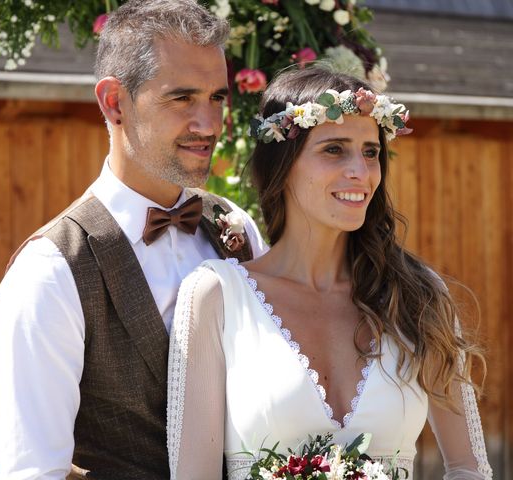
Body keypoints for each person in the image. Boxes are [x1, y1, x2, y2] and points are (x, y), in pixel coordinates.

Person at [167, 67, 492, 480]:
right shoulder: (216, 295)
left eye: (371, 151)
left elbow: (470, 467)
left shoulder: (420, 295)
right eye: (335, 149)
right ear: (282, 164)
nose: (361, 170)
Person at [0, 1, 268, 478]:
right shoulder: (50, 274)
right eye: (182, 98)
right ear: (114, 102)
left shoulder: (236, 228)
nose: (209, 124)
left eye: (217, 98)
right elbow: (36, 472)